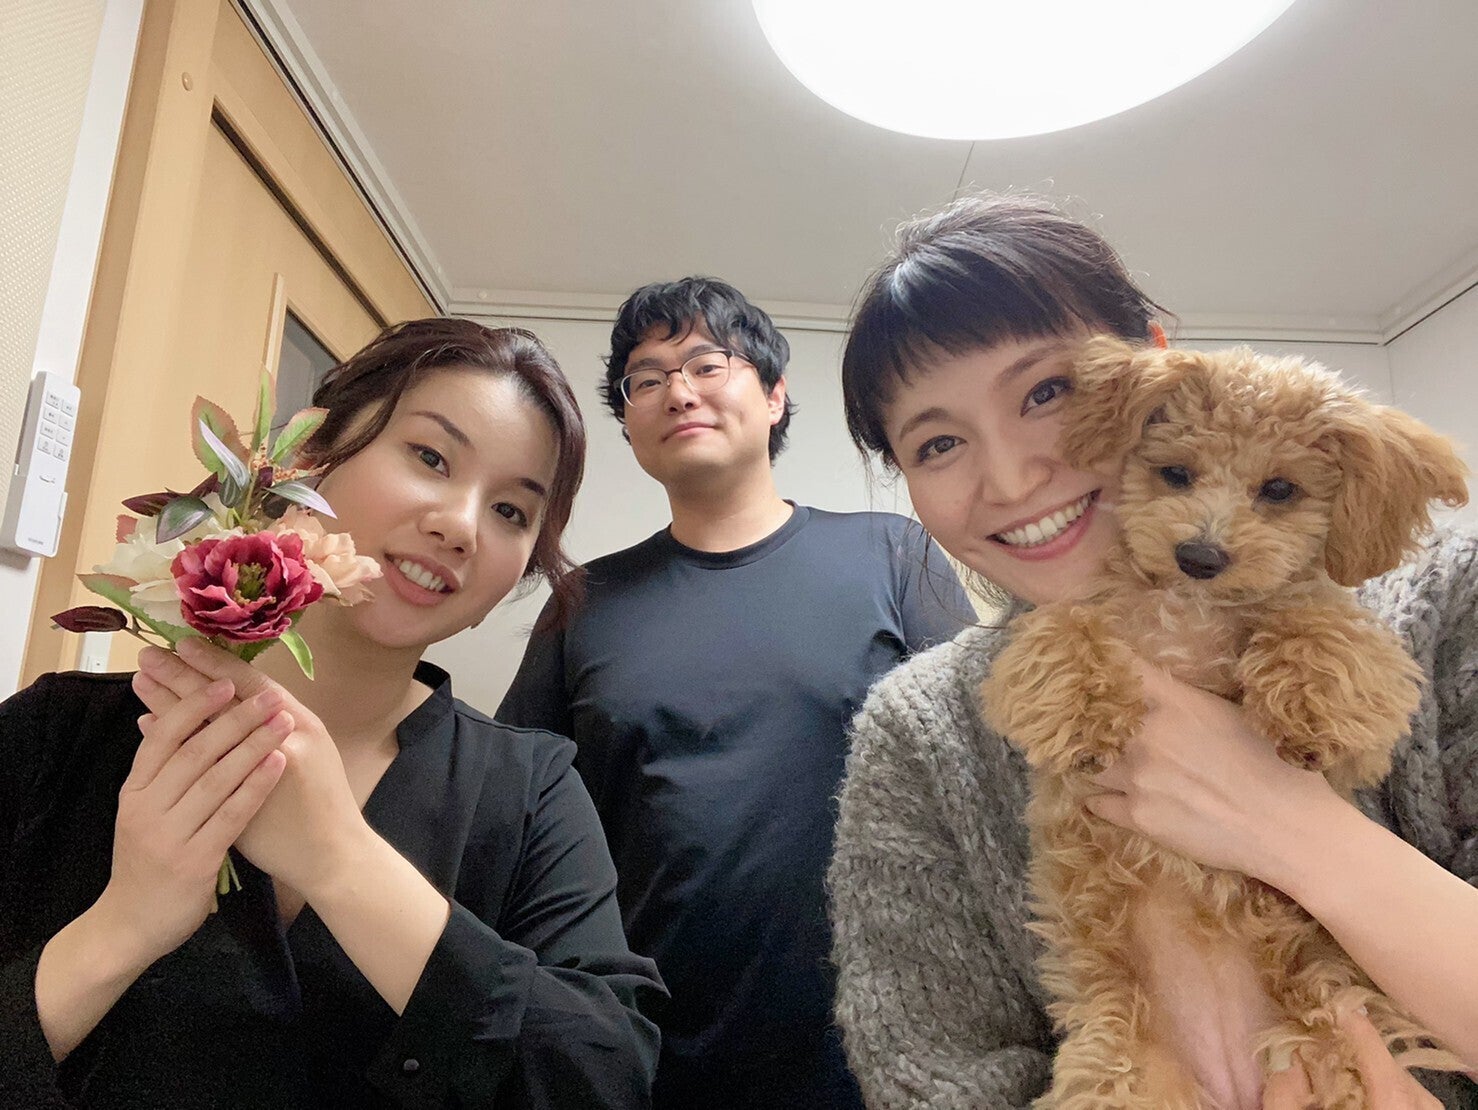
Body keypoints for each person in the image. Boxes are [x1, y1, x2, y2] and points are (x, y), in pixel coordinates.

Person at [828, 193, 1478, 1108]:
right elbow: (931, 1075)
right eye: (937, 443)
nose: (1011, 478)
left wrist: (1292, 826)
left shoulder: (1445, 607)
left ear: (1150, 373)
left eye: (1047, 392)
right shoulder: (918, 731)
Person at [0, 318, 665, 1108]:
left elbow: (603, 1079)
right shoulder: (59, 734)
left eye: (512, 512)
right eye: (431, 457)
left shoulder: (530, 792)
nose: (460, 525)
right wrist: (124, 925)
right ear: (311, 458)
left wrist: (340, 860)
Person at [497, 277, 972, 1108]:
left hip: (889, 1048)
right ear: (629, 425)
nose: (678, 392)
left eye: (706, 364)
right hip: (650, 1056)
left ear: (775, 395)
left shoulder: (893, 555)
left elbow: (987, 771)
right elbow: (512, 820)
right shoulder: (582, 604)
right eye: (645, 379)